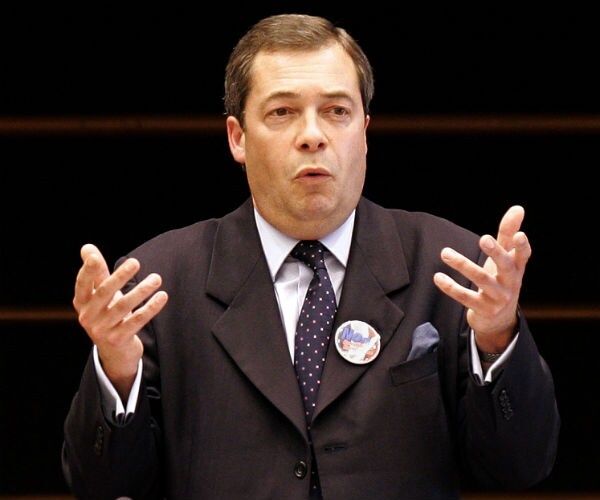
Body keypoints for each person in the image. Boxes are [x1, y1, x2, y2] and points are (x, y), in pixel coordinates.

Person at [61, 13, 560, 500]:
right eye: (282, 112)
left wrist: (497, 336)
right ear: (237, 137)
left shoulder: (450, 268)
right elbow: (102, 486)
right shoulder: (161, 282)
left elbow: (520, 468)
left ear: (364, 131)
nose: (313, 135)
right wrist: (118, 368)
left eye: (337, 111)